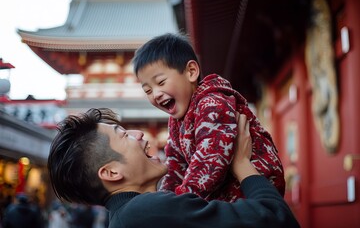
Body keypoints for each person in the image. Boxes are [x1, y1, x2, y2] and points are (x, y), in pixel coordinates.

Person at [47, 108, 300, 227]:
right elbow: (278, 220)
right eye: (123, 135)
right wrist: (243, 165)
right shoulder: (146, 212)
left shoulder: (124, 219)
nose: (139, 134)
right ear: (112, 173)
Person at [133, 33, 285, 202]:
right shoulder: (177, 122)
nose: (156, 94)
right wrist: (165, 199)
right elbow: (175, 165)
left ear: (191, 72)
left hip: (255, 183)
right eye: (148, 90)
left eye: (161, 82)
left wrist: (181, 201)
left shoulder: (212, 102)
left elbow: (211, 157)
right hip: (225, 190)